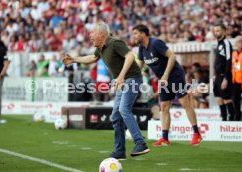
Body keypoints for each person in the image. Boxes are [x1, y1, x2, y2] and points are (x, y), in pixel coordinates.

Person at [61, 21, 150, 159]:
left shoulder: (115, 43)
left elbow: (130, 56)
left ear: (101, 34)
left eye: (92, 33)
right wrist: (73, 59)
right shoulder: (100, 48)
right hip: (123, 81)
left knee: (123, 110)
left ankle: (140, 143)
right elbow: (92, 57)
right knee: (116, 116)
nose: (90, 36)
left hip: (132, 79)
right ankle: (120, 151)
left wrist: (120, 77)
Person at [132, 24, 202, 146]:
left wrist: (165, 74)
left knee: (185, 103)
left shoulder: (155, 43)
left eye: (135, 33)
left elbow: (172, 56)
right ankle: (164, 138)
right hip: (163, 79)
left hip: (174, 75)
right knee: (164, 107)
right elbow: (139, 65)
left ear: (143, 33)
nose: (134, 36)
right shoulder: (141, 48)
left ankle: (197, 134)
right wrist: (129, 77)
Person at [213, 24, 236, 121]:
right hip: (218, 76)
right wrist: (215, 75)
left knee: (226, 98)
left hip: (224, 76)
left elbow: (228, 60)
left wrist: (226, 78)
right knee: (218, 98)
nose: (216, 32)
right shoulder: (219, 43)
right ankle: (223, 119)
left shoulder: (226, 43)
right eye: (215, 31)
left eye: (218, 30)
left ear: (223, 31)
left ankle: (231, 120)